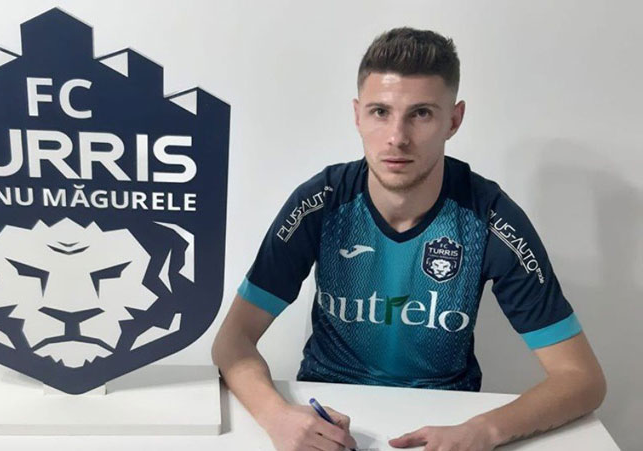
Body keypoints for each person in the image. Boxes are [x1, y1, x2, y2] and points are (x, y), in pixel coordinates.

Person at [211, 27, 606, 451]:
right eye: (380, 112)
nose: (397, 137)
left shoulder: (489, 217)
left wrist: (485, 430)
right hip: (331, 419)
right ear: (357, 116)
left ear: (453, 120)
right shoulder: (321, 202)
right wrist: (277, 417)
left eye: (421, 114)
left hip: (444, 426)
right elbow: (233, 340)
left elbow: (582, 379)